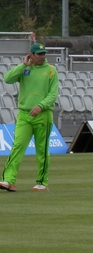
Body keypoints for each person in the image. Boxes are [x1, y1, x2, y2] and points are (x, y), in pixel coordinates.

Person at [0, 43, 58, 192]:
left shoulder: (51, 70)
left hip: (43, 115)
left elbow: (53, 94)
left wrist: (41, 106)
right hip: (24, 114)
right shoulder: (25, 68)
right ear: (31, 55)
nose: (42, 56)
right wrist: (22, 65)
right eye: (39, 54)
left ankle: (42, 182)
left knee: (42, 150)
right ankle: (8, 180)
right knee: (17, 147)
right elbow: (7, 79)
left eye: (43, 53)